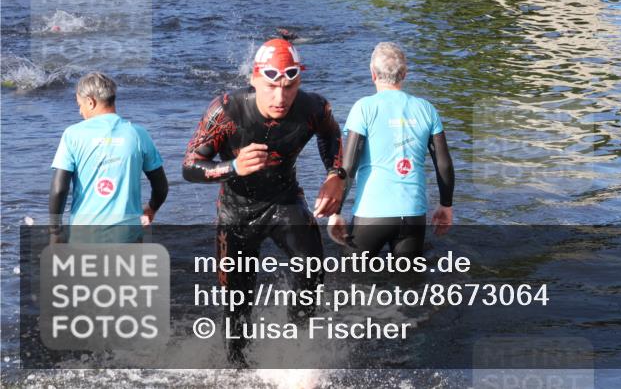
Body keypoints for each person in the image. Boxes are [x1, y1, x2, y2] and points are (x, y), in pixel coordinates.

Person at [182, 37, 345, 367]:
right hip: (236, 210)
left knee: (312, 267)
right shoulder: (226, 110)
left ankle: (295, 350)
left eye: (289, 85)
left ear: (299, 80)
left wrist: (336, 175)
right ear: (254, 79)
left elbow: (331, 135)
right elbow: (189, 167)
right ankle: (237, 367)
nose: (280, 97)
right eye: (271, 86)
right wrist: (232, 167)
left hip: (284, 200)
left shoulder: (314, 108)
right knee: (238, 302)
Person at [325, 42, 454, 259]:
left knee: (350, 282)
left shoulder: (364, 108)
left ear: (373, 74)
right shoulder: (426, 109)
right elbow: (444, 163)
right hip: (413, 214)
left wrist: (336, 212)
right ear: (404, 73)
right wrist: (446, 206)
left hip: (372, 214)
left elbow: (349, 166)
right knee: (409, 286)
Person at [48, 72, 169, 244]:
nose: (80, 111)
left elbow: (59, 189)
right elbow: (161, 186)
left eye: (80, 105)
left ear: (91, 102)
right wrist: (151, 208)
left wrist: (55, 230)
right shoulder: (138, 134)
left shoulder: (73, 135)